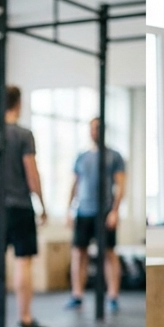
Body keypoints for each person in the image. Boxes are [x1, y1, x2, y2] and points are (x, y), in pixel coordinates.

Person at [0, 85, 49, 327]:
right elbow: (32, 172)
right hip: (20, 206)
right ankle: (25, 321)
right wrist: (42, 204)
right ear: (18, 104)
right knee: (23, 261)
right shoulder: (23, 135)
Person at [65, 117, 127, 312]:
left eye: (98, 128)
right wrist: (69, 210)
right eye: (92, 128)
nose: (94, 132)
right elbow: (74, 185)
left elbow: (121, 186)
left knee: (109, 253)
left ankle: (113, 296)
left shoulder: (115, 156)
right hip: (83, 211)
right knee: (78, 253)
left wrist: (115, 212)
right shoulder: (81, 157)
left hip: (105, 212)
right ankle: (77, 295)